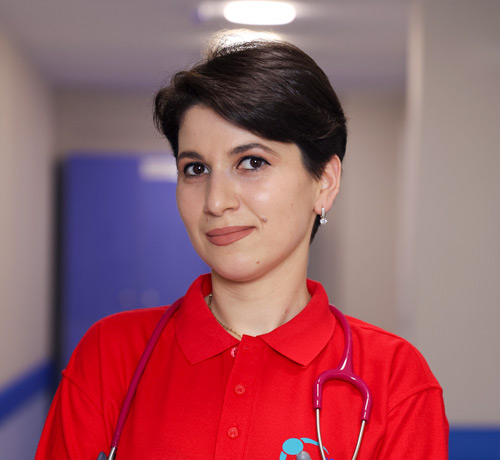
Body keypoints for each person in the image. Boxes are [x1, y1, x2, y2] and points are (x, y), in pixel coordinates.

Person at [36, 37, 448, 460]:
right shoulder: (110, 356)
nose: (216, 202)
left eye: (252, 162)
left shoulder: (394, 380)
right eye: (195, 168)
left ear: (325, 181)